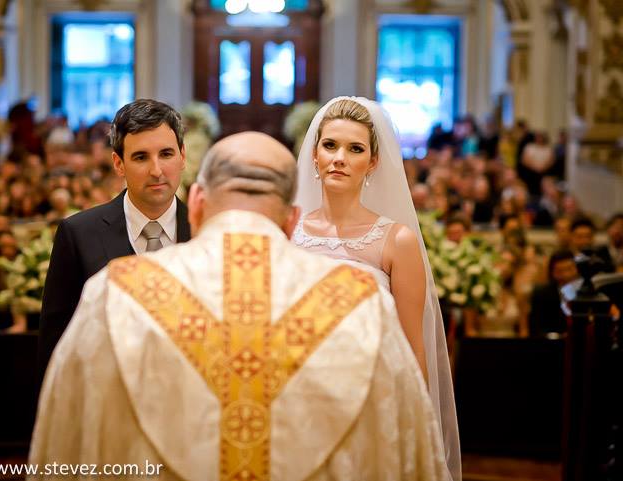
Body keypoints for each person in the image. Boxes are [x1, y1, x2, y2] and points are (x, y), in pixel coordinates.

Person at [31, 132, 447, 480]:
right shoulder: (361, 305)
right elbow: (405, 448)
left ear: (196, 203)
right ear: (291, 220)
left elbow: (64, 440)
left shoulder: (116, 294)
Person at [293, 96, 460, 481]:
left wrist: (416, 432)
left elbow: (413, 347)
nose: (339, 158)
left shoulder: (396, 240)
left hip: (370, 399)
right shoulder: (290, 231)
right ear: (315, 155)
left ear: (372, 162)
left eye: (355, 149)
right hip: (300, 396)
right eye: (330, 145)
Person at [38, 99, 192, 386]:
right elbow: (56, 344)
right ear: (118, 164)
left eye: (166, 154)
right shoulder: (78, 234)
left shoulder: (205, 232)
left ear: (182, 156)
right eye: (141, 157)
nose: (157, 170)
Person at [529, 249, 579, 336]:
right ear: (552, 272)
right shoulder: (541, 294)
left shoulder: (586, 292)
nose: (566, 275)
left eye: (569, 269)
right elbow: (536, 326)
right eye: (560, 271)